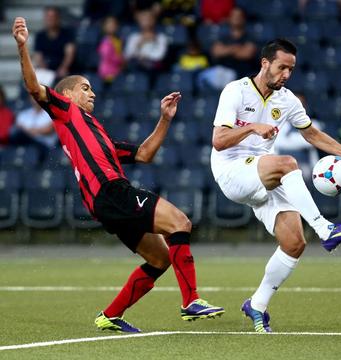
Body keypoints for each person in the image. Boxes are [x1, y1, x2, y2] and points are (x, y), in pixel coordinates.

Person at [13, 17, 224, 333]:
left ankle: (110, 315)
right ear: (67, 95)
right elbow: (33, 87)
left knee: (160, 260)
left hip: (107, 203)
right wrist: (22, 46)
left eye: (93, 88)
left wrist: (165, 119)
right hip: (111, 192)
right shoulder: (66, 112)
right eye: (85, 88)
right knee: (180, 223)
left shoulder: (99, 134)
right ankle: (190, 301)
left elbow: (144, 154)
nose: (92, 93)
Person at [210, 38, 341, 333]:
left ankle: (256, 305)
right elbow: (218, 141)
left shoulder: (287, 100)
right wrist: (254, 129)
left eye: (291, 69)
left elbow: (313, 135)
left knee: (294, 243)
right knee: (288, 163)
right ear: (265, 63)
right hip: (231, 171)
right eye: (282, 67)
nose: (286, 74)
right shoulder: (236, 91)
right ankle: (326, 228)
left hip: (263, 173)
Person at [210, 7, 257, 79]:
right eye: (234, 16)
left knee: (229, 75)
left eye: (239, 16)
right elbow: (216, 52)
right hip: (221, 72)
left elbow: (247, 54)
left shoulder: (249, 37)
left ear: (244, 19)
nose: (236, 18)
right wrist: (235, 49)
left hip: (241, 74)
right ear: (229, 18)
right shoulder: (224, 37)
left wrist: (225, 50)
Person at [33, 7, 76, 80]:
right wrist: (44, 69)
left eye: (53, 17)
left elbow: (70, 54)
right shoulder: (40, 35)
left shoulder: (67, 33)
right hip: (46, 68)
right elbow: (38, 56)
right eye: (48, 17)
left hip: (64, 68)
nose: (50, 19)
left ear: (58, 18)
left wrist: (63, 68)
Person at [97, 16, 124, 83]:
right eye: (109, 24)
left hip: (118, 71)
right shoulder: (104, 41)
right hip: (106, 72)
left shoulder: (119, 40)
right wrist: (121, 60)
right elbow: (106, 56)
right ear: (104, 26)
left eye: (113, 24)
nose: (111, 26)